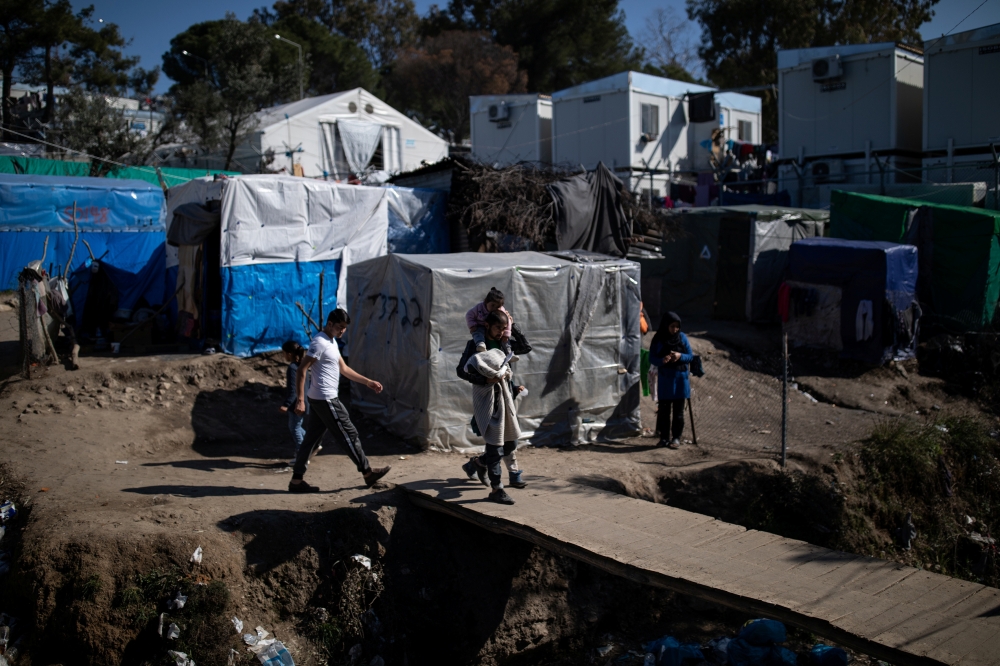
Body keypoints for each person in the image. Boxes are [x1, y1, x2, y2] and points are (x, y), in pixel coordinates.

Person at [289, 309, 390, 493]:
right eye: (339, 327)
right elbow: (302, 369)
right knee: (349, 433)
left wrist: (367, 382)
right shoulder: (319, 342)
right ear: (330, 324)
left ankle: (296, 481)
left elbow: (344, 369)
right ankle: (367, 472)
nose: (342, 330)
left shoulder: (332, 341)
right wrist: (300, 400)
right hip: (326, 399)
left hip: (320, 398)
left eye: (344, 328)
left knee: (310, 440)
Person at [456, 310, 527, 503]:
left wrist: (513, 326)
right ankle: (497, 490)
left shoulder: (504, 343)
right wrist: (484, 380)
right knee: (495, 447)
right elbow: (461, 371)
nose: (501, 332)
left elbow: (525, 347)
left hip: (505, 399)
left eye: (504, 328)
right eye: (498, 328)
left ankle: (479, 463)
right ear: (487, 325)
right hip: (488, 401)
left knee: (510, 443)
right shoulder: (475, 345)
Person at [649, 311, 694, 449]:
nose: (675, 329)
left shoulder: (682, 337)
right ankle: (664, 438)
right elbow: (652, 358)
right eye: (672, 326)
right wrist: (662, 360)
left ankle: (676, 438)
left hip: (680, 380)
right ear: (666, 325)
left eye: (677, 326)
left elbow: (690, 356)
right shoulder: (658, 339)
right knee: (664, 411)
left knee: (678, 412)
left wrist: (680, 356)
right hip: (666, 380)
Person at [280, 340, 312, 467]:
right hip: (304, 402)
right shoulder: (302, 366)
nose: (283, 356)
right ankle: (312, 445)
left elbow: (293, 390)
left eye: (283, 353)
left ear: (289, 354)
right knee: (298, 427)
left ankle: (302, 456)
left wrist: (286, 404)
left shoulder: (292, 368)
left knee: (295, 428)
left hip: (297, 404)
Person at [466, 287, 512, 353]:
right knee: (477, 332)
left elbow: (507, 321)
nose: (494, 308)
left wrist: (507, 333)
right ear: (486, 302)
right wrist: (472, 325)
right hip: (479, 326)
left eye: (497, 307)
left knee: (505, 340)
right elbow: (469, 315)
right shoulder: (479, 308)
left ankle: (509, 353)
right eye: (492, 305)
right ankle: (480, 344)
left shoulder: (501, 311)